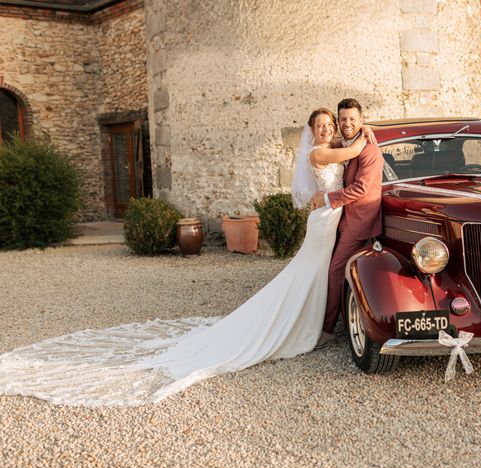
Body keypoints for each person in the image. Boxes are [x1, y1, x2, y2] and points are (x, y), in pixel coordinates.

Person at [0, 106, 373, 407]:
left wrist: (353, 134)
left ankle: (316, 319)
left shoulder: (334, 143)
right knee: (311, 270)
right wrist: (367, 133)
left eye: (331, 124)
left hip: (331, 216)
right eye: (322, 124)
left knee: (315, 270)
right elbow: (353, 152)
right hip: (326, 216)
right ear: (312, 129)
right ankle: (307, 323)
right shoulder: (321, 150)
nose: (328, 129)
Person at [311, 98, 384, 348]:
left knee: (335, 270)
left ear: (361, 120)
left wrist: (327, 198)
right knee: (325, 265)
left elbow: (362, 188)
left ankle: (328, 329)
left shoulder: (370, 151)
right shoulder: (345, 143)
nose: (347, 123)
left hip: (360, 220)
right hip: (341, 218)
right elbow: (325, 144)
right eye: (343, 119)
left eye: (353, 119)